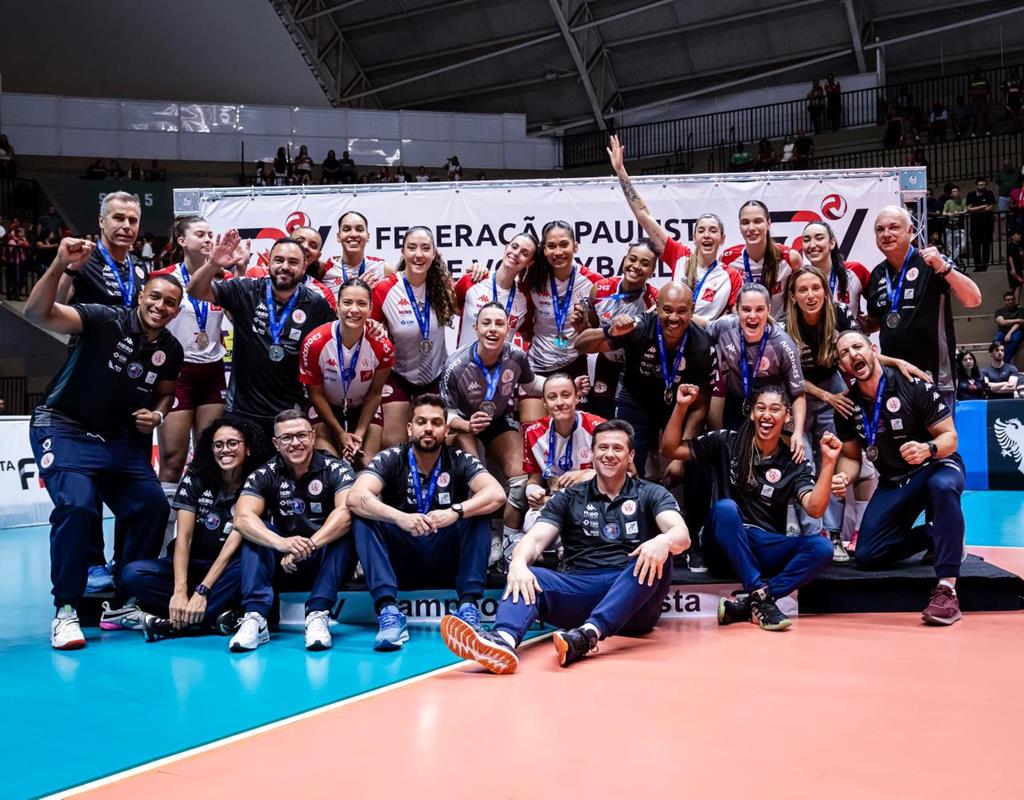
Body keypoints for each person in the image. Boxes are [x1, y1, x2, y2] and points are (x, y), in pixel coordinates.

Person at [24, 239, 184, 649]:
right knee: (77, 507)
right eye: (155, 297)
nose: (160, 307)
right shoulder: (103, 318)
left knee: (152, 505)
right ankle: (66, 610)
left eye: (169, 303)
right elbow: (36, 313)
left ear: (176, 311)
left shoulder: (170, 348)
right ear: (141, 296)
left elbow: (164, 393)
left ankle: (124, 600)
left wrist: (159, 414)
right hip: (64, 427)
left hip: (119, 440)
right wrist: (61, 265)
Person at [440, 420, 689, 673]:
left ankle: (588, 635)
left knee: (656, 553)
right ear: (592, 454)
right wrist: (517, 563)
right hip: (580, 588)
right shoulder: (569, 497)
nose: (609, 454)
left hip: (634, 597)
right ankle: (502, 642)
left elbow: (682, 535)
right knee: (528, 573)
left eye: (617, 448)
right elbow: (535, 540)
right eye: (602, 448)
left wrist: (663, 540)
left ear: (631, 455)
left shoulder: (651, 493)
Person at [667, 385, 836, 631]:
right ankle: (758, 592)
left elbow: (815, 509)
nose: (767, 415)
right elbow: (670, 449)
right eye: (761, 408)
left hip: (762, 547)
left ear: (787, 416)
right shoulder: (727, 442)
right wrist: (682, 407)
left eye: (775, 409)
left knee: (822, 547)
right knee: (726, 509)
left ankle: (753, 602)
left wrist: (829, 463)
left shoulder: (793, 461)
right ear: (751, 414)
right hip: (722, 546)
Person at [346, 394, 506, 651]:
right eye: (421, 422)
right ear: (410, 428)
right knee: (363, 517)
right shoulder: (392, 457)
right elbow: (356, 497)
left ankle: (468, 609)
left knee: (478, 512)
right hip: (402, 558)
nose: (428, 428)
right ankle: (389, 612)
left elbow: (496, 494)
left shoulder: (459, 459)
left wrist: (456, 511)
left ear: (445, 428)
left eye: (435, 422)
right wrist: (400, 517)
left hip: (446, 557)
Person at [833, 330, 966, 626]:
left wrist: (927, 448)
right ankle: (938, 532)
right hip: (894, 481)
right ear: (842, 366)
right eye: (844, 353)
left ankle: (947, 590)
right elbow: (852, 458)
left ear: (873, 349)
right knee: (868, 555)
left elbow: (950, 438)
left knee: (942, 487)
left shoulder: (911, 385)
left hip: (936, 466)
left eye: (857, 347)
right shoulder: (848, 406)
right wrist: (843, 476)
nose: (852, 355)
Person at [186, 231, 336, 447]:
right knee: (240, 477)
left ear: (304, 268)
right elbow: (196, 291)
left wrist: (371, 326)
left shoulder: (316, 304)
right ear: (268, 263)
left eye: (293, 262)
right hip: (242, 411)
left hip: (289, 415)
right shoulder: (246, 289)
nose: (285, 266)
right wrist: (213, 264)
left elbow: (338, 336)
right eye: (279, 260)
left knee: (285, 478)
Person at [122, 418, 262, 641]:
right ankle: (213, 616)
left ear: (248, 449)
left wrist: (202, 591)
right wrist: (180, 591)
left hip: (227, 570)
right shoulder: (196, 478)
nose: (225, 450)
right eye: (218, 445)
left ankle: (176, 623)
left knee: (253, 566)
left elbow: (235, 539)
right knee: (134, 573)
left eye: (233, 443)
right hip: (193, 566)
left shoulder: (258, 482)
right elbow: (183, 538)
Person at [228, 410, 357, 651]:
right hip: (286, 560)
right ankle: (255, 618)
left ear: (313, 436)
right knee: (256, 529)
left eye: (301, 435)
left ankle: (318, 614)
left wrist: (309, 545)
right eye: (287, 438)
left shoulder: (336, 468)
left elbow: (345, 513)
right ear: (276, 443)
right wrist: (282, 544)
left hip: (325, 556)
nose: (295, 443)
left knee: (347, 530)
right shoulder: (265, 473)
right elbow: (242, 518)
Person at [577, 282, 717, 476]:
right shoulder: (638, 326)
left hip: (679, 408)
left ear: (692, 311)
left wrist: (679, 460)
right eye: (667, 310)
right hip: (635, 400)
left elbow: (700, 406)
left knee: (695, 466)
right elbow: (581, 346)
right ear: (656, 307)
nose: (673, 318)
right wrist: (608, 331)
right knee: (625, 465)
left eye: (681, 311)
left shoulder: (703, 346)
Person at [441, 303, 541, 566]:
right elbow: (446, 416)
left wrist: (564, 385)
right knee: (478, 479)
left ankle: (509, 539)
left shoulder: (516, 357)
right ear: (476, 327)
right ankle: (484, 538)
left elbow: (533, 384)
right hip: (462, 424)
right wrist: (466, 425)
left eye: (499, 323)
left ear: (508, 329)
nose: (493, 329)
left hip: (497, 422)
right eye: (487, 323)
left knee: (520, 477)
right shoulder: (455, 365)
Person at [607, 136, 740, 321]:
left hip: (702, 342)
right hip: (669, 335)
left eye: (713, 231)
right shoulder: (680, 256)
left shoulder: (731, 276)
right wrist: (620, 170)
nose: (707, 235)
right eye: (701, 230)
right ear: (694, 237)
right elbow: (643, 215)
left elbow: (737, 318)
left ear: (722, 238)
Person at [864, 206, 982, 410]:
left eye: (894, 227)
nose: (886, 234)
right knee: (903, 442)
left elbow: (974, 299)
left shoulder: (932, 262)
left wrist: (944, 268)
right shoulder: (877, 274)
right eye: (880, 230)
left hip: (934, 376)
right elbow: (876, 323)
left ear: (910, 231)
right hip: (894, 378)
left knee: (939, 441)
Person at [153, 216, 230, 525]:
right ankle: (164, 537)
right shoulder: (164, 278)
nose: (208, 238)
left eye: (211, 233)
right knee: (172, 459)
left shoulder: (223, 280)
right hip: (177, 374)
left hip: (212, 373)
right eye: (201, 234)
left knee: (209, 456)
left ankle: (203, 529)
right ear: (182, 241)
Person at [370, 227, 457, 447]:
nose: (419, 254)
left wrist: (479, 270)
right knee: (393, 444)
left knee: (441, 441)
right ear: (403, 252)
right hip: (397, 375)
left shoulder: (443, 287)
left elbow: (472, 301)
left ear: (434, 254)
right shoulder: (384, 289)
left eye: (426, 248)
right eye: (412, 247)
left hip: (435, 375)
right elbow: (370, 331)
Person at [300, 278, 394, 468]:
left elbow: (376, 393)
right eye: (347, 302)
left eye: (361, 304)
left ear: (370, 308)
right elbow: (315, 394)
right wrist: (340, 434)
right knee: (330, 466)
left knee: (368, 465)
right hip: (326, 407)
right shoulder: (315, 343)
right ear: (337, 306)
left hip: (363, 408)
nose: (354, 310)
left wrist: (359, 433)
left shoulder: (383, 346)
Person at [701, 284, 806, 447]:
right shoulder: (725, 326)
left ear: (768, 310)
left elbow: (798, 394)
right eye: (746, 309)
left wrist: (798, 433)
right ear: (737, 309)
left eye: (759, 309)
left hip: (770, 409)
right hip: (736, 403)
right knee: (733, 457)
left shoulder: (783, 344)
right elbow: (702, 325)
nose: (752, 316)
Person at [518, 221, 601, 423]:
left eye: (564, 244)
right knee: (532, 433)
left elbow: (598, 333)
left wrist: (583, 329)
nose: (558, 251)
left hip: (574, 366)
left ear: (576, 245)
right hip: (538, 365)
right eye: (551, 246)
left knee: (572, 434)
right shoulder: (533, 279)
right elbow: (526, 326)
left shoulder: (593, 282)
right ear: (544, 250)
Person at [575, 241, 660, 419]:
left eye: (645, 264)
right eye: (632, 259)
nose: (636, 266)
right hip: (606, 364)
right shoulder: (600, 289)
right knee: (601, 418)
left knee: (630, 421)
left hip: (637, 368)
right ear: (624, 260)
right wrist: (581, 326)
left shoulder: (655, 300)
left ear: (652, 272)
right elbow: (591, 328)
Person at [58, 192, 150, 307]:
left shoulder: (139, 265)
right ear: (102, 221)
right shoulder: (82, 261)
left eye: (132, 220)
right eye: (119, 218)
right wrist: (69, 270)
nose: (127, 226)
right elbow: (56, 305)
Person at [453, 232, 537, 349]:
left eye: (524, 253)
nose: (516, 253)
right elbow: (448, 310)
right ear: (506, 247)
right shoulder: (472, 281)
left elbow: (528, 336)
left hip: (500, 367)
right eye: (514, 246)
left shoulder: (525, 299)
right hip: (464, 366)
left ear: (529, 263)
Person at [720, 200, 801, 318]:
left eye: (758, 221)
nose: (751, 227)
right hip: (745, 328)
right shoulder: (727, 259)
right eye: (745, 222)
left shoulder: (790, 258)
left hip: (780, 328)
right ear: (739, 226)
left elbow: (798, 298)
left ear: (768, 223)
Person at [246, 226, 337, 309]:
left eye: (313, 246)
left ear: (317, 255)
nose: (305, 246)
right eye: (299, 241)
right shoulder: (256, 274)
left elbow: (328, 326)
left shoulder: (323, 294)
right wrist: (240, 269)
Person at [800, 220, 871, 316]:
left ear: (832, 243)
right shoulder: (800, 279)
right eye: (806, 240)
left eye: (819, 238)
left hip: (849, 331)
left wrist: (872, 323)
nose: (812, 245)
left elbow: (881, 302)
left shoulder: (855, 271)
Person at [320, 211, 395, 293]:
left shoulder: (383, 268)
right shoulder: (324, 269)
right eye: (346, 229)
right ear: (338, 236)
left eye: (359, 229)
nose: (353, 234)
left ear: (368, 236)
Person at [966, 179, 996, 271]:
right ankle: (977, 265)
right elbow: (969, 209)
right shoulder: (971, 195)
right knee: (976, 245)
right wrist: (982, 207)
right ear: (976, 185)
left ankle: (985, 265)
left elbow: (991, 208)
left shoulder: (989, 194)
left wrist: (976, 209)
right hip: (975, 224)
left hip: (987, 223)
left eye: (983, 185)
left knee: (986, 245)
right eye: (980, 185)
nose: (982, 186)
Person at [992, 290, 1024, 363]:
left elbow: (1018, 324)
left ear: (1014, 300)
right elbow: (1002, 322)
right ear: (1004, 301)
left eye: (1012, 299)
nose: (1010, 301)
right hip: (1002, 331)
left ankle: (1004, 361)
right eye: (1008, 300)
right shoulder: (999, 311)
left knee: (1015, 339)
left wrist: (1009, 333)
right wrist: (1018, 319)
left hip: (1016, 331)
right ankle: (998, 359)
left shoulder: (1021, 310)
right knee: (996, 340)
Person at [942, 186, 966, 265]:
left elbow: (966, 210)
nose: (955, 193)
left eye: (956, 191)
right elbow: (943, 213)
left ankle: (949, 260)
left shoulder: (963, 201)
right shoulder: (948, 202)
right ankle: (956, 263)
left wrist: (958, 213)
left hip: (959, 227)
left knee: (962, 245)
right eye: (953, 192)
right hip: (950, 227)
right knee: (950, 248)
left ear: (959, 192)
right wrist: (949, 214)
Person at [968, 71, 991, 137]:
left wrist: (981, 93)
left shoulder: (973, 81)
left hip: (980, 100)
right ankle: (975, 132)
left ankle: (986, 130)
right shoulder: (973, 81)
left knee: (984, 116)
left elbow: (988, 89)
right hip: (977, 100)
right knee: (976, 117)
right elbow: (969, 92)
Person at [1007, 230, 1023, 302]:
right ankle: (1016, 303)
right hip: (1014, 269)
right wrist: (1013, 268)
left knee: (1019, 285)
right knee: (1017, 285)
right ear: (1012, 236)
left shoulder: (1018, 245)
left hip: (1019, 268)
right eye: (1018, 234)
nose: (1020, 236)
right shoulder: (1011, 245)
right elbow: (1010, 257)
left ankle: (1015, 302)